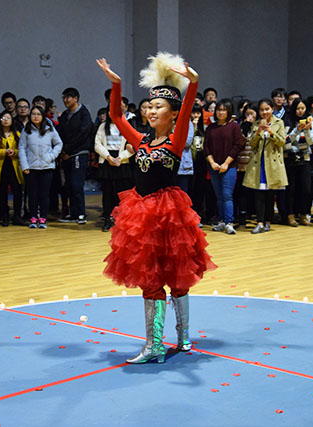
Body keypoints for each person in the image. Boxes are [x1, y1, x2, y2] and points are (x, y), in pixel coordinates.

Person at [96, 53, 216, 364]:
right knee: (149, 281)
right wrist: (117, 85)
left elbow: (187, 108)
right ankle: (154, 345)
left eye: (158, 106)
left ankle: (184, 335)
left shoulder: (175, 141)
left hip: (170, 214)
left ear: (173, 114)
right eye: (149, 106)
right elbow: (117, 117)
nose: (150, 111)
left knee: (178, 278)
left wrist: (193, 82)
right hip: (141, 216)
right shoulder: (141, 142)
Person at [242, 99, 287, 233]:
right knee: (259, 193)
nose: (264, 112)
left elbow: (282, 142)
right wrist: (258, 132)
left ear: (272, 109)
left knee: (270, 194)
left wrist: (271, 132)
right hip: (258, 163)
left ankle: (268, 221)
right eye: (262, 110)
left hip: (272, 163)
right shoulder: (256, 123)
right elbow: (252, 143)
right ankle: (260, 222)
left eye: (267, 109)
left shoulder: (279, 123)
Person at [204, 98, 245, 234]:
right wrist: (212, 163)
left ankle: (229, 222)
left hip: (229, 166)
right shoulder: (211, 128)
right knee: (219, 196)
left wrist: (226, 163)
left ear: (229, 112)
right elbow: (206, 147)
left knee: (227, 195)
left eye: (224, 110)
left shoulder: (234, 127)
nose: (221, 112)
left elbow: (238, 145)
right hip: (214, 166)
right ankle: (221, 220)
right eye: (219, 110)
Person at [18, 106, 63, 229]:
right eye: (33, 114)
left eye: (38, 114)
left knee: (44, 194)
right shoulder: (26, 130)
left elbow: (59, 143)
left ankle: (43, 218)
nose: (36, 116)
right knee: (32, 194)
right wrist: (24, 165)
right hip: (31, 168)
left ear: (43, 116)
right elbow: (21, 148)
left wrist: (51, 156)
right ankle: (33, 218)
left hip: (47, 167)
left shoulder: (50, 129)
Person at [94, 106, 133, 231]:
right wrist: (109, 157)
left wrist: (120, 158)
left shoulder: (126, 125)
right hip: (107, 162)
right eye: (110, 110)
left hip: (122, 163)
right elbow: (97, 145)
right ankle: (107, 219)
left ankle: (123, 221)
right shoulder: (102, 126)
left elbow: (132, 146)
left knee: (122, 194)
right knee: (107, 193)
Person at [57, 87, 93, 224]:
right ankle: (73, 213)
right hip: (66, 154)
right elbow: (60, 134)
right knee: (69, 185)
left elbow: (82, 135)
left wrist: (68, 150)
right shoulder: (64, 116)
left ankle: (81, 214)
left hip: (79, 153)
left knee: (77, 184)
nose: (65, 100)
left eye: (68, 97)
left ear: (76, 98)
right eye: (64, 98)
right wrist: (63, 152)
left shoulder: (84, 114)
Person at [284, 98, 313, 226]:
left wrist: (307, 130)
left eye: (302, 108)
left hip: (305, 158)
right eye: (298, 108)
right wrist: (297, 130)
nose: (300, 111)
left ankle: (303, 214)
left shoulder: (310, 121)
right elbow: (286, 141)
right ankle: (290, 215)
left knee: (306, 188)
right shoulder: (287, 120)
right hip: (290, 157)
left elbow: (311, 141)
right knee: (291, 189)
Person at [0, 112, 24, 226]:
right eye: (3, 118)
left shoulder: (17, 134)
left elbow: (22, 150)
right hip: (1, 166)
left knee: (17, 191)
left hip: (14, 166)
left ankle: (17, 216)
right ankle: (4, 217)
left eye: (8, 118)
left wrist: (14, 152)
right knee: (2, 193)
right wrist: (4, 152)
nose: (6, 120)